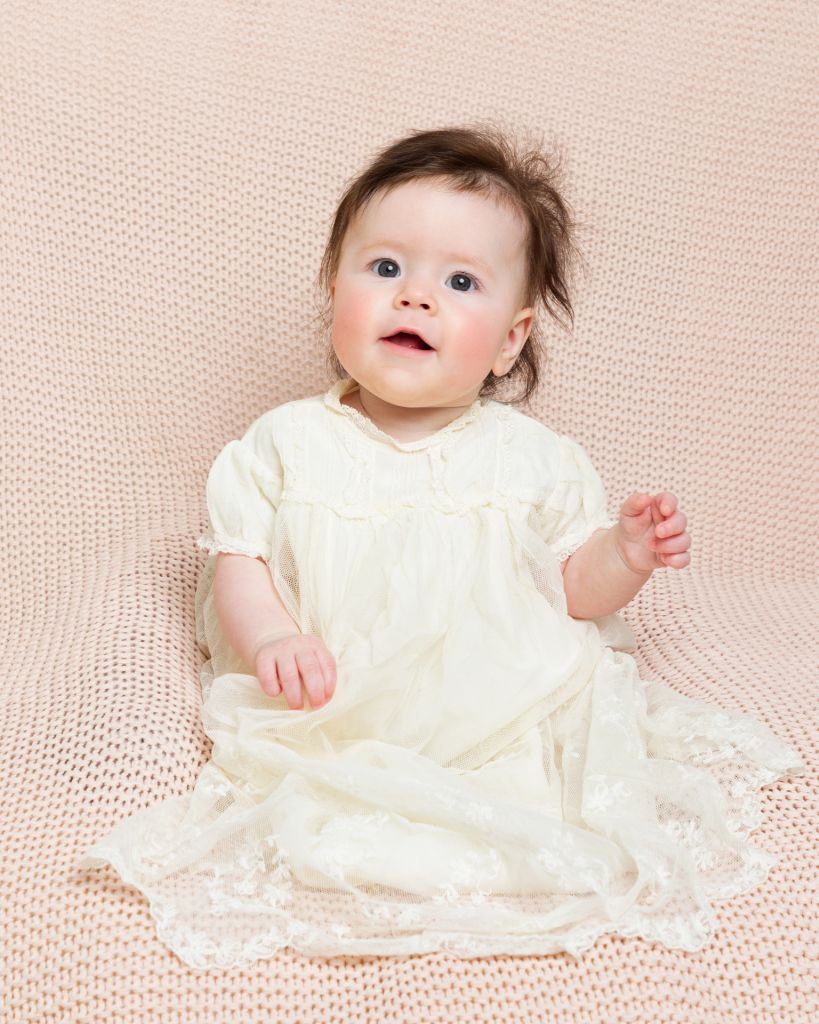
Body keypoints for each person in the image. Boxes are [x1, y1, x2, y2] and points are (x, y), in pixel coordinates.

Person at [76, 123, 805, 969]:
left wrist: (626, 555)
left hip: (498, 702)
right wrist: (273, 637)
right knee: (318, 807)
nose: (414, 298)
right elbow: (241, 562)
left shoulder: (532, 460)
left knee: (551, 781)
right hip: (337, 698)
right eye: (385, 269)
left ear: (510, 339)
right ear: (333, 287)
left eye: (460, 282)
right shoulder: (283, 443)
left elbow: (571, 592)